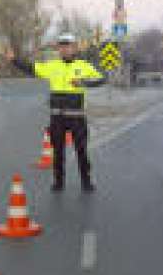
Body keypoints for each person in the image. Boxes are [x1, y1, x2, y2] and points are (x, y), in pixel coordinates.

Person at [8, 33, 105, 193]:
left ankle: (86, 181)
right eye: (62, 46)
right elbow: (31, 68)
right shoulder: (52, 66)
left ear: (74, 47)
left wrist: (83, 82)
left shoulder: (83, 65)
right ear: (59, 49)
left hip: (77, 117)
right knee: (58, 152)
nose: (64, 49)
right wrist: (14, 60)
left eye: (68, 46)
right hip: (57, 117)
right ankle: (58, 182)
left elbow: (101, 78)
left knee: (81, 150)